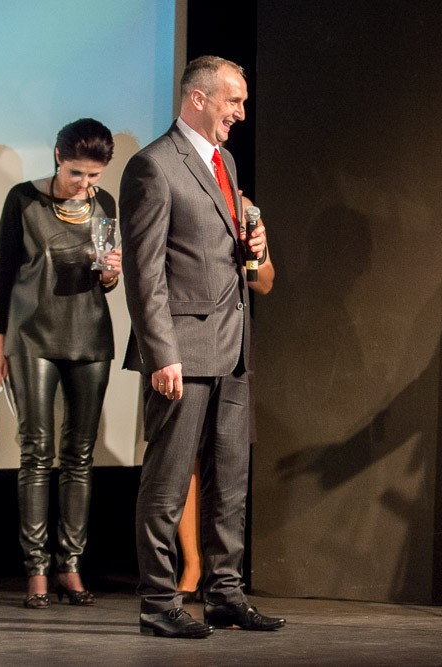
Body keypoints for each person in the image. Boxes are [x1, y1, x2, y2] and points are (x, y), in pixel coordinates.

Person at [120, 56, 284, 639]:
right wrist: (161, 352)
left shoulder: (225, 162)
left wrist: (251, 247)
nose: (240, 112)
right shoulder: (153, 166)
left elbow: (220, 255)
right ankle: (158, 602)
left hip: (233, 348)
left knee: (229, 482)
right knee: (168, 484)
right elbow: (144, 273)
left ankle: (224, 595)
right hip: (182, 351)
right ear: (198, 98)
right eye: (232, 101)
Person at [0, 118, 121, 609]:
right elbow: (5, 271)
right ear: (58, 158)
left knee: (80, 455)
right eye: (76, 172)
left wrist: (112, 275)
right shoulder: (23, 200)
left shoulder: (105, 205)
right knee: (36, 452)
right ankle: (37, 570)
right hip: (31, 336)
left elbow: (106, 278)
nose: (84, 183)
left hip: (89, 334)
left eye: (93, 175)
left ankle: (71, 565)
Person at [177, 195, 275, 602]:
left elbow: (264, 282)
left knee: (228, 462)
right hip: (188, 340)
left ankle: (224, 582)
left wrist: (258, 251)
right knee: (184, 460)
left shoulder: (243, 205)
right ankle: (191, 565)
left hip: (234, 345)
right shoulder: (180, 194)